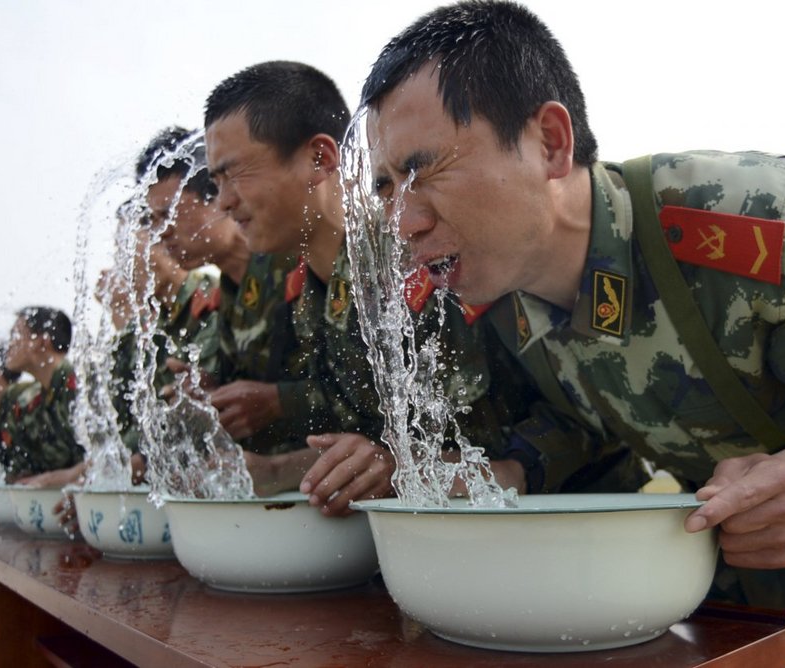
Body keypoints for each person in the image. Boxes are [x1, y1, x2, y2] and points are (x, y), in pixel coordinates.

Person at [359, 2, 785, 665]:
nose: (403, 223)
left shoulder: (758, 224)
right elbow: (594, 420)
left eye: (423, 171)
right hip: (741, 601)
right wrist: (502, 473)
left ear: (549, 142)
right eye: (384, 188)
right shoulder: (499, 300)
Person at [203, 60, 541, 514]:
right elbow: (374, 446)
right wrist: (275, 470)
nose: (223, 202)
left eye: (235, 174)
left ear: (320, 159)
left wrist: (401, 467)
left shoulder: (420, 251)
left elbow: (565, 417)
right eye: (216, 182)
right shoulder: (313, 297)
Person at [137, 126, 306, 455]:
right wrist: (211, 391)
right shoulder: (228, 294)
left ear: (217, 193)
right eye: (154, 221)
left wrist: (279, 403)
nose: (161, 234)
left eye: (169, 214)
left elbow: (364, 391)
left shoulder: (297, 261)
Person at [0, 306, 85, 485]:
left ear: (43, 342)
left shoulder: (80, 387)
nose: (10, 344)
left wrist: (54, 479)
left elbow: (112, 458)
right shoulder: (30, 399)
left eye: (16, 336)